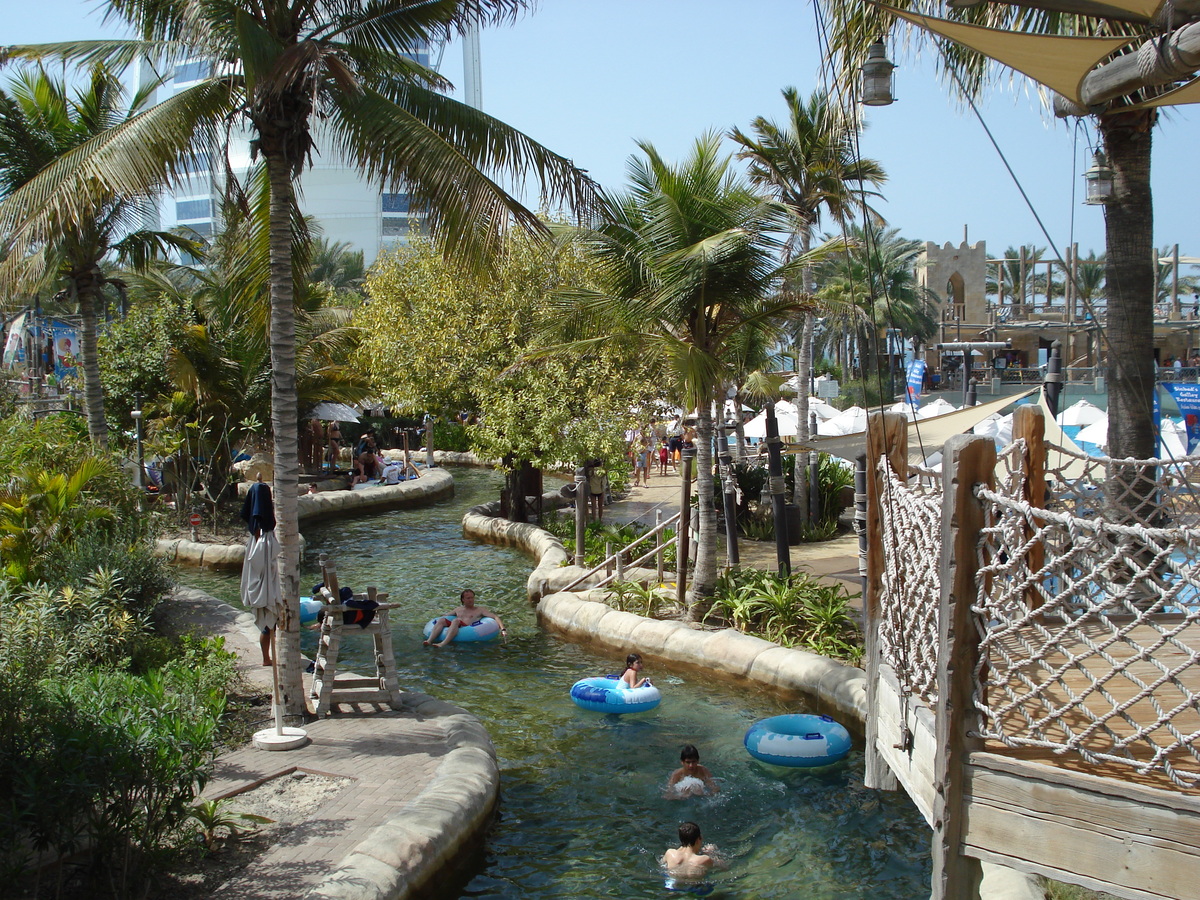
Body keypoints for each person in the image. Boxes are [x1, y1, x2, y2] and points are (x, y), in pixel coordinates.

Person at [424, 589, 507, 647]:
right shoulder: (458, 609)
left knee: (456, 620)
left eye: (472, 598)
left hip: (466, 628)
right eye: (468, 598)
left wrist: (503, 629)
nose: (471, 600)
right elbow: (444, 616)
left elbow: (495, 617)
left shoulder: (479, 610)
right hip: (456, 626)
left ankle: (443, 643)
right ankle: (429, 641)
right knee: (442, 620)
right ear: (463, 599)